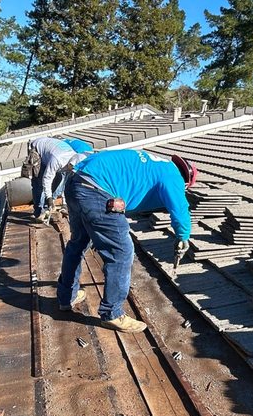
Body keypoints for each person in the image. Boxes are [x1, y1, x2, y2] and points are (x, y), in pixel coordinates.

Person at [56, 149, 197, 332]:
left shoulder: (155, 166)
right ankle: (112, 313)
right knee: (121, 252)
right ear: (186, 181)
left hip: (76, 181)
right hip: (96, 190)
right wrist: (183, 236)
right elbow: (180, 208)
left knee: (78, 243)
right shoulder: (174, 176)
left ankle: (67, 296)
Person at [23, 136, 92, 221]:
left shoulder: (73, 161)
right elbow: (47, 179)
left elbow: (65, 183)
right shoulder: (58, 160)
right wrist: (49, 199)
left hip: (51, 152)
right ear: (70, 164)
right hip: (37, 149)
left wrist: (64, 204)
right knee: (39, 183)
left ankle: (48, 208)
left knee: (60, 182)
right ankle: (39, 212)